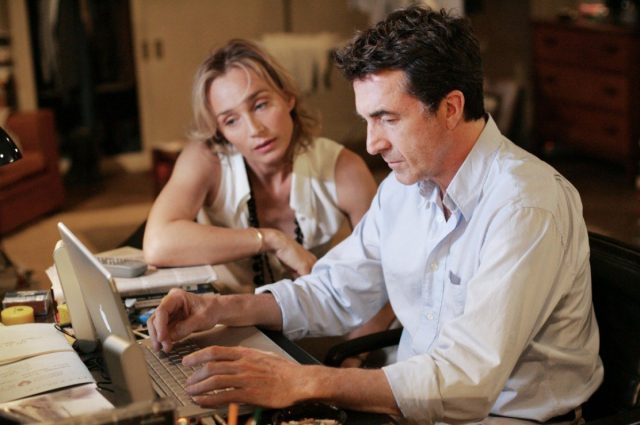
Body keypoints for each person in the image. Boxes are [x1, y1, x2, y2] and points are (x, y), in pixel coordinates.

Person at [147, 7, 603, 424]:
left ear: (450, 108)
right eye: (367, 120)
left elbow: (466, 381)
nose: (372, 143)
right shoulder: (403, 189)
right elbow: (335, 289)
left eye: (387, 118)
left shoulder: (525, 206)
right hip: (415, 410)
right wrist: (219, 309)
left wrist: (302, 381)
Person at [143, 39, 393, 364]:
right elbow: (158, 243)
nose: (255, 130)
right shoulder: (207, 159)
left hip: (326, 340)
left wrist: (351, 359)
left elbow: (391, 283)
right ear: (219, 131)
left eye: (260, 105)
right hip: (229, 330)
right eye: (231, 120)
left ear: (288, 97)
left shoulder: (344, 168)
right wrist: (271, 240)